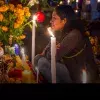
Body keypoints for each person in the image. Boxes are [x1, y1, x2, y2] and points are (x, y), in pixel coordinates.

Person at [34, 5, 99, 83]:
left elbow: (52, 57)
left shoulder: (74, 35)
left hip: (78, 76)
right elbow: (44, 52)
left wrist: (51, 50)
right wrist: (51, 49)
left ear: (64, 21)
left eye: (54, 18)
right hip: (68, 68)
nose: (51, 21)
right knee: (37, 58)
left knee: (42, 63)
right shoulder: (60, 32)